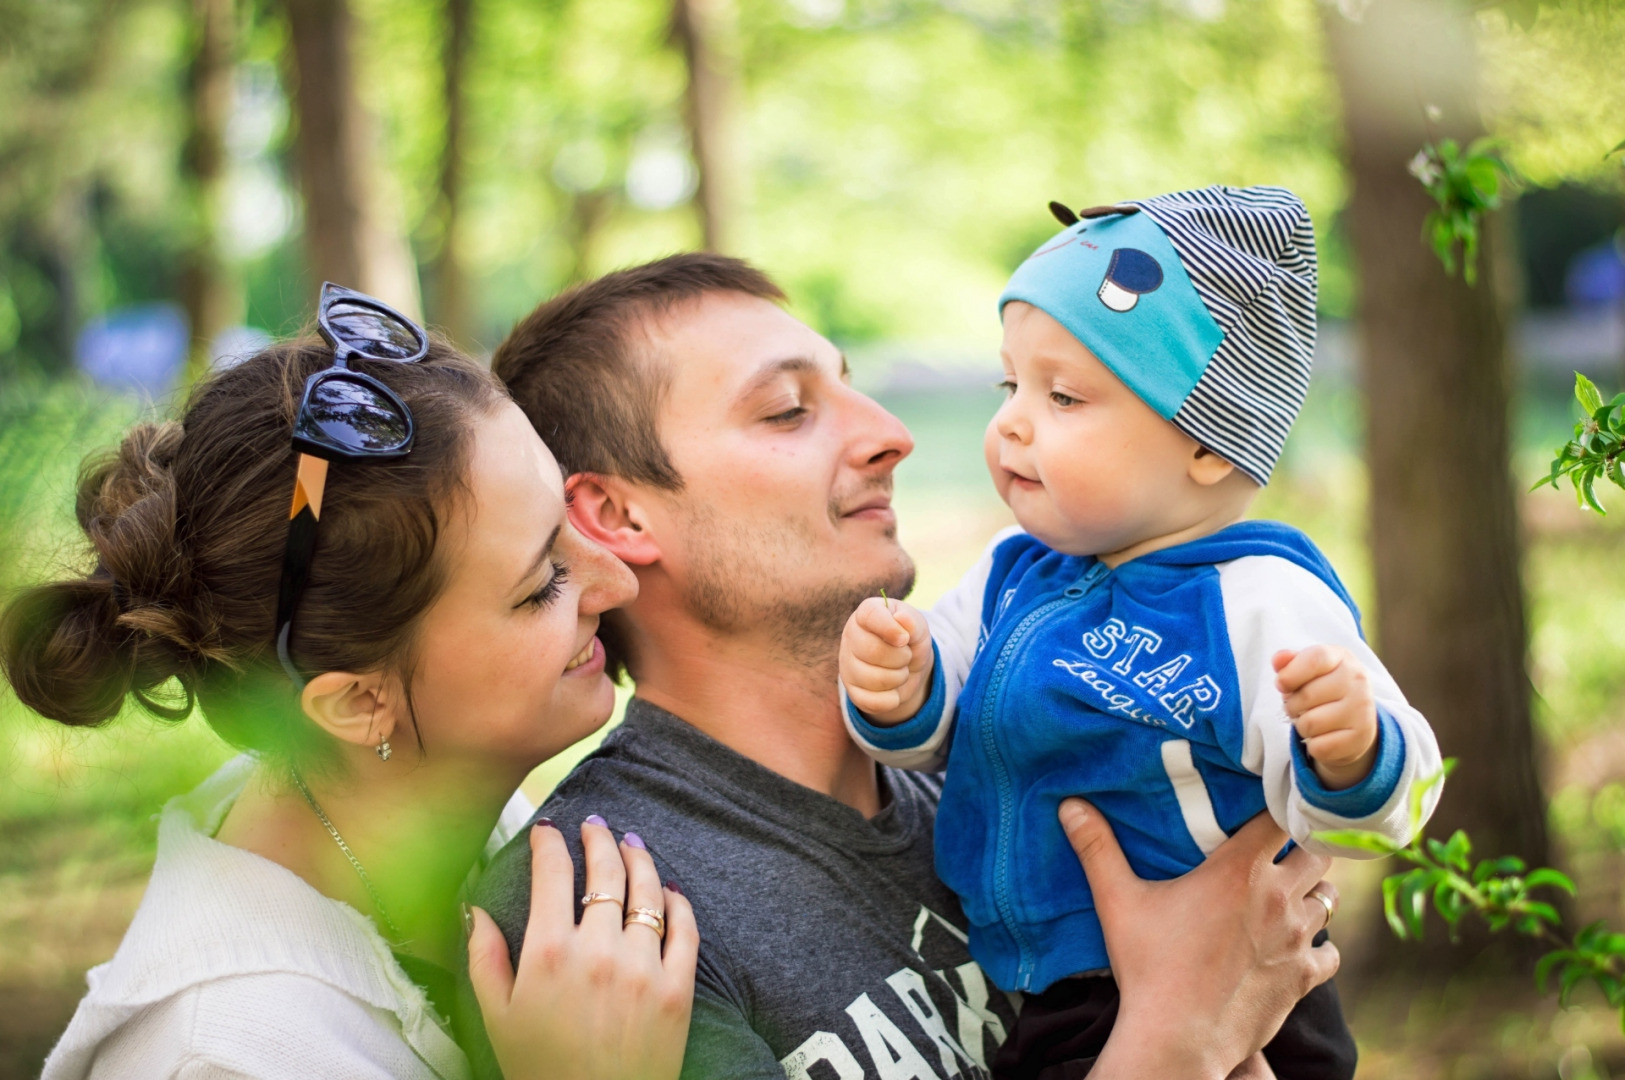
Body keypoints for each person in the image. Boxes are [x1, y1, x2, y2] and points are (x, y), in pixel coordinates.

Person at [468, 253, 1345, 1080]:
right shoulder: (597, 916)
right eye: (786, 411)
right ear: (617, 516)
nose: (891, 437)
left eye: (854, 389)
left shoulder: (1029, 780)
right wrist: (1178, 1030)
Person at [0, 286, 696, 1080]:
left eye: (568, 514)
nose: (618, 582)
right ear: (359, 703)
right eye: (542, 583)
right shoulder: (225, 1059)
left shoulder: (449, 812)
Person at [837, 187, 1444, 1079]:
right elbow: (936, 724)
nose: (1008, 420)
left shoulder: (1257, 598)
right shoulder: (1016, 570)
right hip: (1049, 991)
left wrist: (1350, 753)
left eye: (1064, 397)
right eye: (1012, 384)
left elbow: (1385, 808)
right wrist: (902, 682)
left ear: (1207, 444)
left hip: (1246, 993)